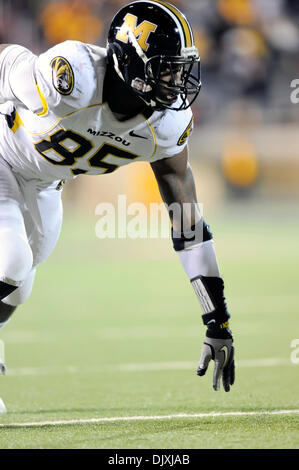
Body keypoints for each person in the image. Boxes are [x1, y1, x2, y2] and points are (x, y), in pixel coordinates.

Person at [0, 0, 235, 391]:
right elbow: (7, 58)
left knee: (18, 286)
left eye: (179, 70)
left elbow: (187, 221)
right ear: (130, 61)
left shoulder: (164, 124)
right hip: (3, 154)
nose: (176, 83)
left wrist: (217, 319)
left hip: (46, 184)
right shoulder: (72, 77)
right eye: (166, 69)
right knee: (11, 260)